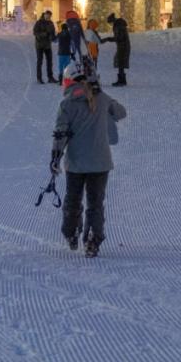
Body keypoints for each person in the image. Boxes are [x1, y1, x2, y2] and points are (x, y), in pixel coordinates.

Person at [51, 73, 127, 257]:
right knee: (95, 203)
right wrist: (106, 97)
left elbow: (60, 133)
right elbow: (121, 112)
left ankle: (71, 233)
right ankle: (93, 238)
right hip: (100, 163)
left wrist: (55, 158)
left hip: (76, 163)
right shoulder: (102, 98)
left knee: (73, 199)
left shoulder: (67, 104)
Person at [102, 13, 131, 87]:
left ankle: (121, 80)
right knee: (119, 61)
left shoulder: (118, 25)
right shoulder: (119, 24)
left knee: (120, 62)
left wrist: (108, 39)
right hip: (122, 46)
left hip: (123, 46)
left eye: (110, 23)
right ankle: (122, 80)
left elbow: (119, 38)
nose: (110, 25)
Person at [33, 11, 57, 83]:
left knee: (50, 62)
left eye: (50, 16)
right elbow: (35, 32)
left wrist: (55, 37)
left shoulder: (51, 23)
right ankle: (39, 78)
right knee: (39, 62)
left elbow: (52, 34)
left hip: (47, 45)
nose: (48, 17)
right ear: (44, 15)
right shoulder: (39, 22)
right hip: (39, 45)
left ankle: (50, 77)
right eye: (47, 15)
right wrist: (44, 34)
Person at [54, 10, 73, 86]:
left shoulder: (60, 34)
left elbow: (55, 41)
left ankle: (60, 81)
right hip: (67, 53)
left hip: (61, 53)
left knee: (60, 67)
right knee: (67, 67)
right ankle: (67, 81)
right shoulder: (69, 34)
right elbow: (72, 43)